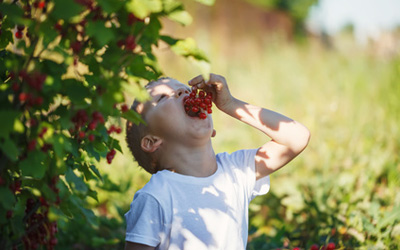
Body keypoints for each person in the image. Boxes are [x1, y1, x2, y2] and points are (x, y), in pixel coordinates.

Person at [124, 73, 310, 250]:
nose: (183, 92)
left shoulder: (235, 171)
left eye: (186, 89)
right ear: (152, 141)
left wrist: (231, 104)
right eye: (163, 98)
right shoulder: (155, 196)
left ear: (211, 131)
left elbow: (297, 137)